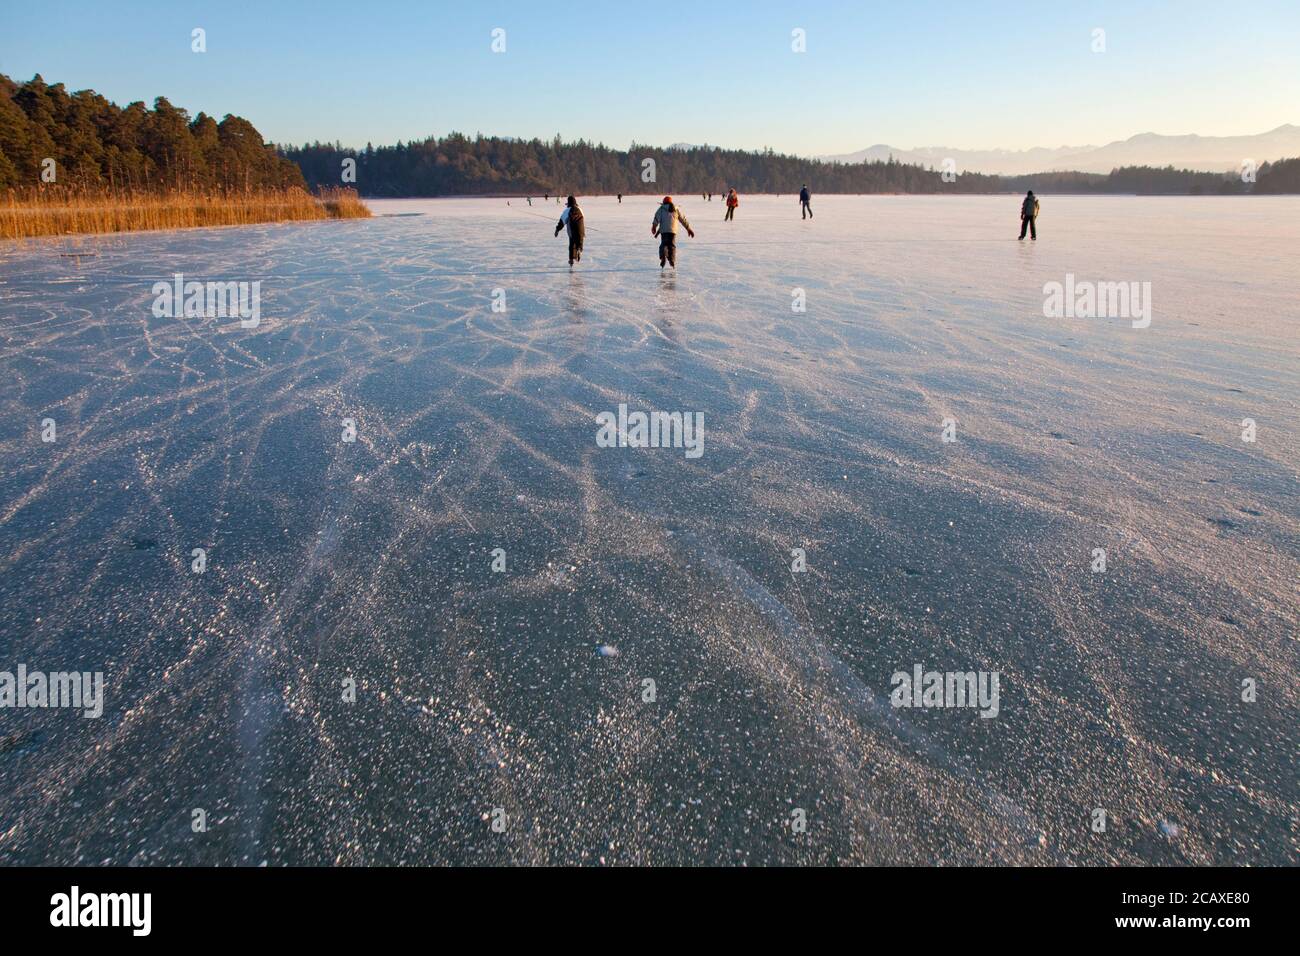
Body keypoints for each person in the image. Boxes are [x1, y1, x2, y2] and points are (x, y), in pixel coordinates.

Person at [651, 196, 694, 268]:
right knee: (672, 246)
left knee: (664, 244)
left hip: (664, 231)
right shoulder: (676, 209)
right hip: (673, 231)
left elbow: (656, 217)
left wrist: (654, 226)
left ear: (664, 202)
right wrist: (688, 228)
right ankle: (672, 260)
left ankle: (663, 256)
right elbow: (683, 219)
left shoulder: (661, 209)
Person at [555, 195, 585, 266]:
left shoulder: (567, 211)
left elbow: (562, 222)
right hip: (581, 230)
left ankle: (571, 260)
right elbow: (583, 218)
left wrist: (557, 230)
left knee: (571, 244)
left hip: (572, 230)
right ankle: (579, 249)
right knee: (579, 241)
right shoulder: (580, 209)